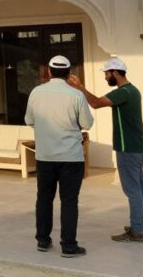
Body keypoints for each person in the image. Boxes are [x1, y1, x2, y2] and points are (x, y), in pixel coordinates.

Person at [68, 57, 143, 243]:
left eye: (107, 74)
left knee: (132, 190)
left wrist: (80, 87)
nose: (105, 77)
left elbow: (96, 103)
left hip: (128, 147)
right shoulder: (133, 90)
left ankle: (137, 231)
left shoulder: (123, 92)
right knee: (140, 186)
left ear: (115, 73)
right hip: (138, 146)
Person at [25, 56, 93, 258]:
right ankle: (69, 246)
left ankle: (43, 240)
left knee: (44, 198)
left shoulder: (36, 92)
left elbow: (29, 120)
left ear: (49, 71)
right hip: (71, 157)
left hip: (45, 155)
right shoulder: (76, 95)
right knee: (69, 201)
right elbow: (87, 123)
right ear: (69, 73)